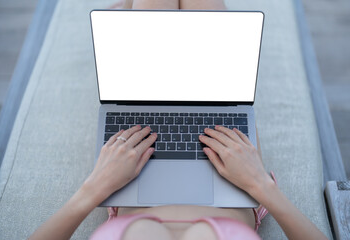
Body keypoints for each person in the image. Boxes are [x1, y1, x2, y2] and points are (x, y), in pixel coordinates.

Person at [29, 1, 329, 239]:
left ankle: (130, 5)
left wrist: (93, 189)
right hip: (242, 182)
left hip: (130, 181)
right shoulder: (257, 185)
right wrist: (262, 186)